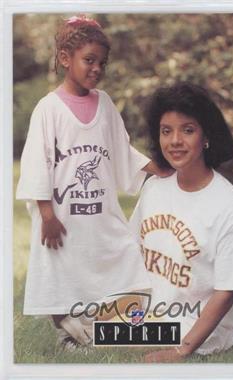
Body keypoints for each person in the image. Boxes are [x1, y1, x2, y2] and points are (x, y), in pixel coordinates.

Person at [16, 15, 168, 350]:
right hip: (60, 216)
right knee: (62, 270)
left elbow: (121, 151)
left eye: (102, 62)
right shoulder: (49, 109)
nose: (97, 68)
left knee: (125, 254)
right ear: (65, 59)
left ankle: (98, 327)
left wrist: (154, 168)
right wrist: (46, 214)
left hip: (99, 212)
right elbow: (37, 162)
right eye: (89, 60)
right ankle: (67, 333)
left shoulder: (105, 104)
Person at [129, 82, 233, 362]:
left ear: (206, 136)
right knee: (91, 326)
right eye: (166, 131)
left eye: (187, 130)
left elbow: (226, 292)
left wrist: (179, 351)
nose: (174, 141)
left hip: (201, 325)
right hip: (155, 313)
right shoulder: (155, 188)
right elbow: (131, 249)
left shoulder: (230, 207)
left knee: (101, 336)